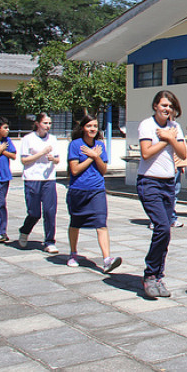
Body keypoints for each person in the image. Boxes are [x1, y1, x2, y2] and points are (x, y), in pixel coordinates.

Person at [137, 90, 187, 298]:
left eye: (170, 106)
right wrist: (166, 140)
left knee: (165, 232)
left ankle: (158, 276)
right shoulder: (147, 125)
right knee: (162, 228)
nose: (167, 109)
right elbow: (146, 153)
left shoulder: (175, 128)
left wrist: (170, 138)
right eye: (164, 105)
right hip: (149, 182)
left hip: (168, 183)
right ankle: (150, 274)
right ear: (155, 106)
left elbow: (183, 154)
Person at [65, 114, 122, 273]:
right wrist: (91, 157)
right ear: (83, 127)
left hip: (97, 190)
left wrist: (96, 156)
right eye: (89, 126)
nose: (92, 129)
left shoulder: (100, 146)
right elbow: (75, 170)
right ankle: (73, 254)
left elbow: (103, 170)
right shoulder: (75, 145)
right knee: (75, 223)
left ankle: (107, 259)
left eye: (95, 126)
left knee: (101, 224)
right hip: (78, 191)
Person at [18, 112, 61, 254]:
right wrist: (42, 153)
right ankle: (25, 231)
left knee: (50, 211)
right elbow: (24, 161)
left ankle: (49, 241)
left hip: (48, 179)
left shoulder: (53, 139)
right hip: (32, 178)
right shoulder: (28, 139)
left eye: (49, 123)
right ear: (37, 123)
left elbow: (57, 159)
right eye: (45, 123)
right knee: (34, 212)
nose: (48, 126)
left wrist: (52, 159)